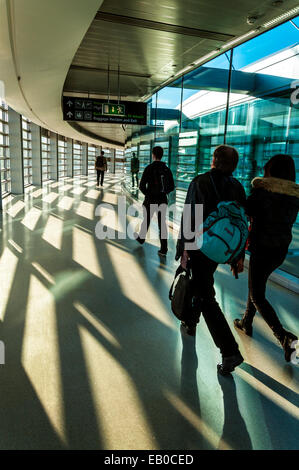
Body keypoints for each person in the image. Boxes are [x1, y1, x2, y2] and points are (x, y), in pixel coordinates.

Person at [176, 145, 246, 375]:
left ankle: (229, 351)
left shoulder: (201, 182)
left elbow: (190, 215)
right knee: (200, 284)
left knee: (206, 296)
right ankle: (190, 323)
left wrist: (184, 248)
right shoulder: (237, 187)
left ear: (214, 160)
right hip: (220, 250)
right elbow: (241, 224)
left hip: (199, 246)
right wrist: (238, 255)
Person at [234, 154, 298, 362]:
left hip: (262, 248)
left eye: (267, 168)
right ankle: (246, 322)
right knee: (256, 287)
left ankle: (284, 339)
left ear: (273, 171)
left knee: (258, 294)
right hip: (280, 250)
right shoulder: (294, 196)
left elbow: (244, 209)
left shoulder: (262, 192)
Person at [135, 146, 174, 256]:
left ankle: (142, 238)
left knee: (146, 219)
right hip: (162, 200)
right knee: (162, 224)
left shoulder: (149, 168)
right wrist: (163, 192)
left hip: (151, 199)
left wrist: (149, 194)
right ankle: (164, 249)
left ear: (153, 155)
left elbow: (141, 185)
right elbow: (171, 186)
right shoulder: (167, 169)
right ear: (162, 155)